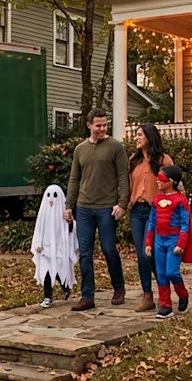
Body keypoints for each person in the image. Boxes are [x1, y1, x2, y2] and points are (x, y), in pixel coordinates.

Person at [64, 108, 129, 311]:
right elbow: (74, 179)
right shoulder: (80, 149)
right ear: (89, 125)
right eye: (98, 125)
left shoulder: (115, 147)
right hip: (84, 208)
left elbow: (123, 177)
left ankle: (118, 288)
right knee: (85, 252)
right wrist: (69, 206)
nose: (102, 129)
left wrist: (122, 204)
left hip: (107, 208)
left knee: (109, 249)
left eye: (104, 125)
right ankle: (87, 295)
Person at [127, 124, 173, 312]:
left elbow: (174, 186)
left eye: (140, 135)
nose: (136, 138)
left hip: (157, 211)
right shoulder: (133, 161)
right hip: (137, 211)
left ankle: (164, 289)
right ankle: (147, 295)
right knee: (140, 256)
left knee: (151, 254)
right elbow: (128, 185)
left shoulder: (164, 160)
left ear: (149, 138)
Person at [145, 165, 192, 319]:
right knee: (161, 274)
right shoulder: (157, 199)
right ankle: (165, 305)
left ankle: (182, 293)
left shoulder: (180, 201)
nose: (158, 182)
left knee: (171, 272)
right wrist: (148, 243)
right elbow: (152, 222)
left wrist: (180, 244)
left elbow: (185, 224)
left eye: (161, 179)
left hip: (173, 241)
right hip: (159, 241)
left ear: (171, 181)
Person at [32, 185, 76, 308]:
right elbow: (39, 229)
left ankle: (65, 287)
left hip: (59, 249)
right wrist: (38, 244)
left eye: (55, 196)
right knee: (46, 272)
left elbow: (71, 231)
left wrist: (70, 223)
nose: (51, 199)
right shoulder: (43, 213)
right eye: (49, 195)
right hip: (45, 249)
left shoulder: (64, 215)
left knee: (58, 269)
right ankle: (47, 297)